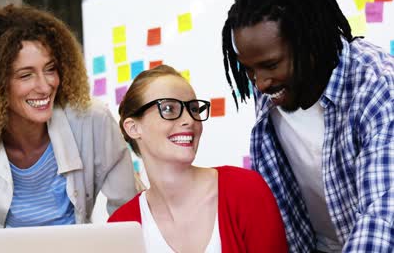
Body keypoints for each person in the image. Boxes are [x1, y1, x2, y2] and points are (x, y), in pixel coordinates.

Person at [0, 4, 137, 253]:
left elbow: (128, 212)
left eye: (50, 69)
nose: (45, 86)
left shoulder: (93, 119)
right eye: (26, 75)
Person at [221, 0, 394, 252]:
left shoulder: (378, 86)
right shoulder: (273, 87)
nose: (260, 83)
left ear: (309, 44)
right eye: (249, 70)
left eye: (270, 65)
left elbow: (383, 214)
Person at [108, 65, 288, 253]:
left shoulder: (245, 190)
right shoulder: (121, 224)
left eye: (193, 109)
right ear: (133, 128)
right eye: (169, 108)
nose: (190, 120)